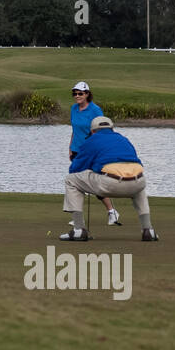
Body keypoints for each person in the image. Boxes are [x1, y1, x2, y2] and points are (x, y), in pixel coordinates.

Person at [60, 116, 158, 242]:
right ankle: (148, 230)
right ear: (112, 128)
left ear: (93, 131)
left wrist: (86, 166)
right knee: (138, 185)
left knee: (70, 180)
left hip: (109, 183)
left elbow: (75, 168)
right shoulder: (123, 139)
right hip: (138, 181)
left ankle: (78, 230)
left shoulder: (92, 140)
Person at [68, 81, 120, 228]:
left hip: (91, 151)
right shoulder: (73, 108)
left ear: (87, 94)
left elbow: (101, 131)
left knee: (96, 184)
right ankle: (77, 216)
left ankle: (112, 211)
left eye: (80, 93)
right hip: (77, 151)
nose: (77, 96)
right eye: (75, 93)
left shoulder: (95, 110)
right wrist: (70, 147)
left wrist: (96, 149)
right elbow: (74, 129)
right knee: (76, 183)